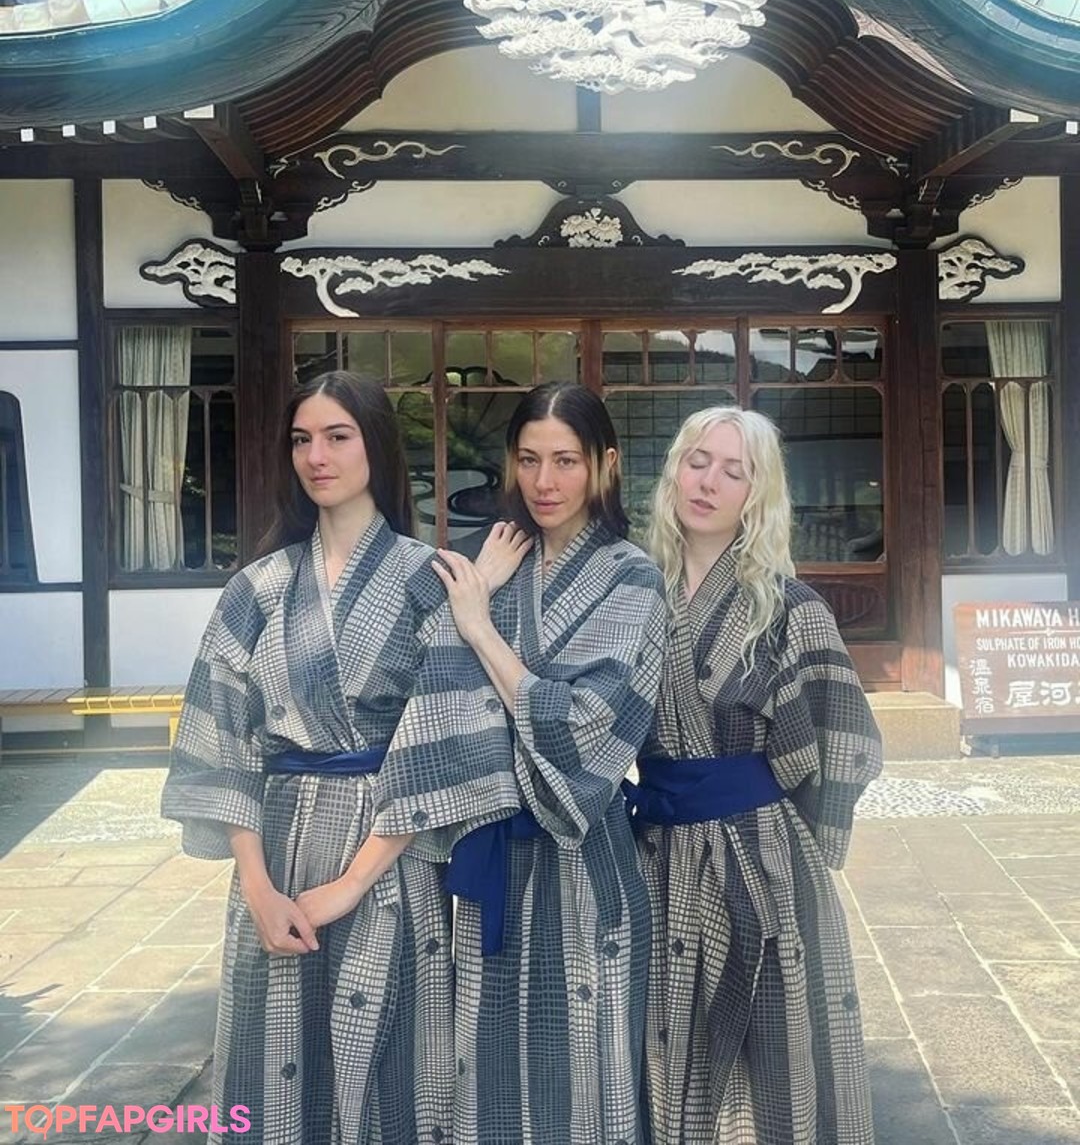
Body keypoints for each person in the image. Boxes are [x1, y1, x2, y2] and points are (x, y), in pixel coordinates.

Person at [161, 370, 495, 1145]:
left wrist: (350, 885)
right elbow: (224, 740)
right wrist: (257, 887)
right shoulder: (257, 588)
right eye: (302, 439)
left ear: (375, 445)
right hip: (277, 852)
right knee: (275, 1059)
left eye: (338, 437)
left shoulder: (432, 582)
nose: (317, 456)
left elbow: (438, 748)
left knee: (393, 1067)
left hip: (389, 858)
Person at [368, 381, 668, 1145]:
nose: (544, 481)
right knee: (489, 1075)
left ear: (605, 464)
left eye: (566, 460)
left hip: (586, 862)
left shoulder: (633, 576)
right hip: (490, 865)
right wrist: (481, 597)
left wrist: (478, 628)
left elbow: (589, 727)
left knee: (589, 1079)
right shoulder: (490, 563)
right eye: (528, 459)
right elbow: (423, 691)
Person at [629, 405, 881, 1145]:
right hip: (655, 852)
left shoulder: (790, 608)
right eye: (698, 461)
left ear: (757, 495)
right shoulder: (633, 595)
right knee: (663, 1042)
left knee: (767, 1055)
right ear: (675, 471)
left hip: (759, 855)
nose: (708, 482)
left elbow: (846, 737)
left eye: (733, 472)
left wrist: (802, 835)